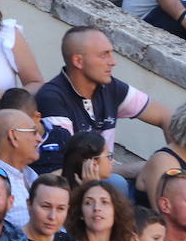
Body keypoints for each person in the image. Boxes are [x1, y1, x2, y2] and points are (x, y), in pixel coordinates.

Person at [36, 26, 170, 171]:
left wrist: (175, 159)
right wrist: (135, 169)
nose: (113, 62)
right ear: (78, 61)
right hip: (79, 181)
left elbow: (165, 116)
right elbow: (73, 168)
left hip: (106, 175)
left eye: (111, 53)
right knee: (123, 180)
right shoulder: (52, 99)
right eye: (104, 55)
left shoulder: (109, 86)